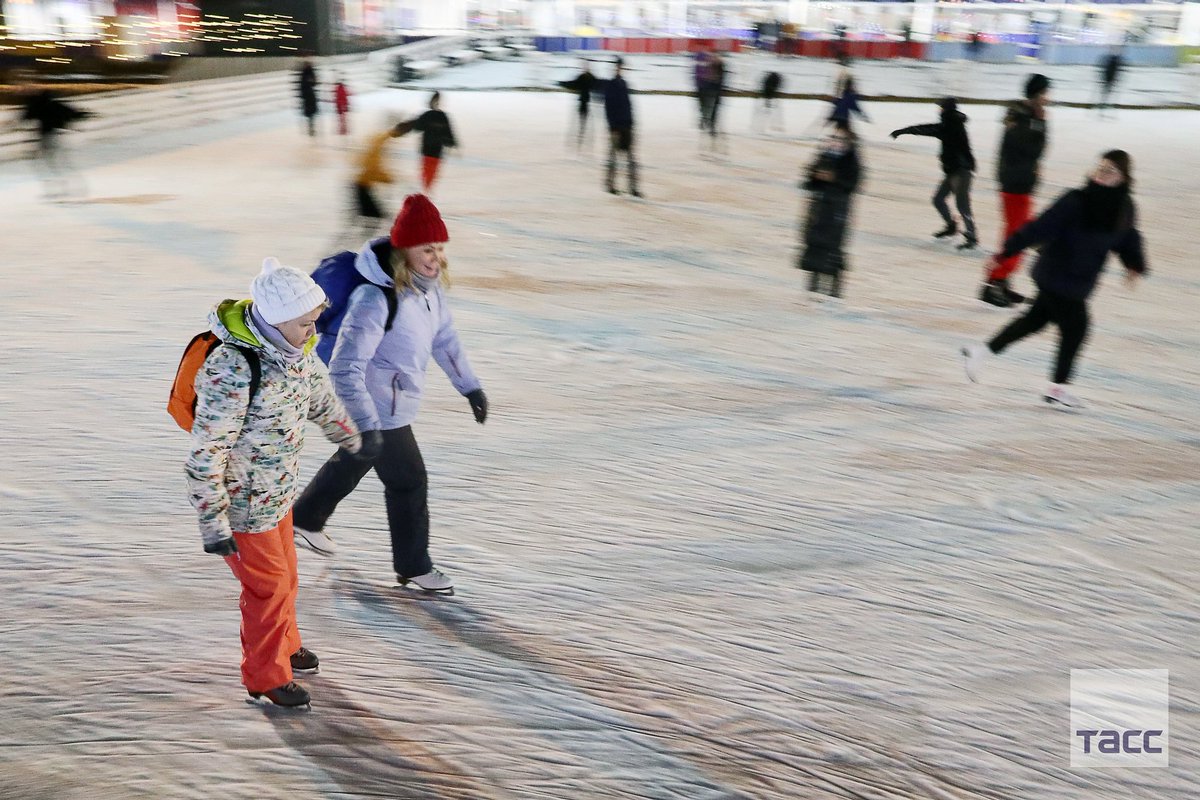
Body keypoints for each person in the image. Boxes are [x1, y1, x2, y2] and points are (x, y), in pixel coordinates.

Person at [185, 258, 364, 707]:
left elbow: (319, 395)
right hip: (243, 503)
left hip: (277, 491)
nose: (312, 330)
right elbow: (207, 450)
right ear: (278, 318)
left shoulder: (293, 351)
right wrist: (213, 522)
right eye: (305, 323)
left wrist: (350, 435)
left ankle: (284, 644)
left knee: (288, 577)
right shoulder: (234, 366)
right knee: (269, 588)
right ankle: (265, 675)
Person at [292, 195, 488, 595]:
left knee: (357, 458)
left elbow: (444, 339)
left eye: (438, 248)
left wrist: (469, 386)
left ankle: (304, 519)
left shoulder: (429, 291)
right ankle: (414, 568)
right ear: (403, 251)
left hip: (391, 402)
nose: (436, 258)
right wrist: (366, 421)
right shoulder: (374, 299)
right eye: (426, 249)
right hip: (378, 406)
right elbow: (345, 367)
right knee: (409, 481)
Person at [961, 151, 1146, 409]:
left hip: (1080, 280)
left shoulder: (1125, 208)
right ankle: (1057, 389)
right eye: (1100, 168)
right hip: (1056, 274)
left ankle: (981, 351)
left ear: (1123, 177)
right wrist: (1006, 252)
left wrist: (1134, 264)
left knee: (1034, 320)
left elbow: (1128, 238)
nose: (1102, 173)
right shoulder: (1076, 200)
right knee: (1076, 328)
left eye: (1110, 170)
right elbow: (1039, 227)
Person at [983, 73, 1050, 307]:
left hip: (1020, 183)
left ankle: (1001, 282)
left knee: (1019, 233)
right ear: (1036, 94)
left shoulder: (1027, 115)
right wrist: (1040, 123)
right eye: (1045, 93)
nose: (1047, 99)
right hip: (1015, 183)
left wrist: (1039, 122)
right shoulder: (1021, 116)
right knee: (1016, 237)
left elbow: (1037, 148)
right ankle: (993, 284)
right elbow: (1030, 148)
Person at [890, 97, 978, 250]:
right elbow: (930, 128)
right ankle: (951, 226)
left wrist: (905, 131)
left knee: (962, 204)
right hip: (953, 171)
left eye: (941, 107)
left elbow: (928, 129)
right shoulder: (950, 123)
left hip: (961, 171)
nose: (939, 110)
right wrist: (905, 130)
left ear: (946, 109)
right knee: (938, 199)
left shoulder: (951, 124)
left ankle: (972, 236)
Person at [797, 120, 863, 299]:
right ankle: (812, 287)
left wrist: (834, 178)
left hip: (837, 210)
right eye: (833, 137)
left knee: (833, 248)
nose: (835, 141)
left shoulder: (851, 159)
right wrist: (815, 177)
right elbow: (807, 180)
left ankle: (834, 290)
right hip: (818, 209)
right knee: (815, 245)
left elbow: (853, 183)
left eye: (840, 137)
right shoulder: (824, 154)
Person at [18, 83, 91, 200]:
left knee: (47, 164)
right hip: (57, 136)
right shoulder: (54, 104)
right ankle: (77, 188)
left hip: (46, 138)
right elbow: (73, 113)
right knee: (62, 163)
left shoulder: (37, 105)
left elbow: (25, 118)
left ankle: (57, 190)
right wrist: (83, 115)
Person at [348, 121, 408, 240]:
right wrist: (387, 178)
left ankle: (363, 243)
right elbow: (373, 167)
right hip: (362, 184)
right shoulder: (380, 142)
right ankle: (363, 246)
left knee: (373, 217)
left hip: (361, 183)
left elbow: (368, 162)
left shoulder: (380, 138)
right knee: (375, 217)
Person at [603, 58, 640, 197]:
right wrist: (612, 127)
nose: (619, 69)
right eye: (618, 67)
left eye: (621, 67)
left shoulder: (624, 84)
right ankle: (610, 184)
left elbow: (628, 106)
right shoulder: (611, 85)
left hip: (626, 126)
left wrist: (631, 123)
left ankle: (633, 187)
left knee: (631, 159)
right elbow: (608, 108)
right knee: (614, 158)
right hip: (617, 127)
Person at [408, 92, 458, 193]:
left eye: (437, 100)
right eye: (435, 100)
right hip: (429, 149)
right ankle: (426, 190)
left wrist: (451, 142)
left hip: (434, 149)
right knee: (428, 171)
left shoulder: (440, 116)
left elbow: (448, 131)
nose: (436, 102)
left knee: (431, 171)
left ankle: (426, 190)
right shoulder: (429, 115)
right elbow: (418, 127)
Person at [557, 60, 597, 151]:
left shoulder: (589, 77)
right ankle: (580, 137)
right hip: (583, 102)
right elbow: (573, 84)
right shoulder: (583, 77)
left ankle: (582, 137)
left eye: (586, 66)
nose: (585, 68)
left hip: (587, 102)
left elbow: (597, 85)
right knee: (581, 120)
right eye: (584, 66)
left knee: (584, 121)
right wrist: (562, 83)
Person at [1097, 48, 1124, 118]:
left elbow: (1108, 71)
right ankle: (1104, 110)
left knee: (1106, 96)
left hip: (1109, 80)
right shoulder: (1114, 61)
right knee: (1108, 96)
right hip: (1110, 80)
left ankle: (1103, 110)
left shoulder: (1110, 60)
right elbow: (1113, 72)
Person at [297, 59, 319, 137]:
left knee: (311, 114)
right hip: (308, 96)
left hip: (309, 96)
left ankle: (312, 128)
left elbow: (314, 83)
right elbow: (303, 85)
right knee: (310, 114)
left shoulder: (309, 72)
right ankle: (311, 128)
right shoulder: (305, 73)